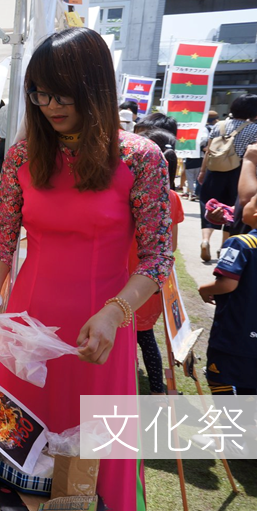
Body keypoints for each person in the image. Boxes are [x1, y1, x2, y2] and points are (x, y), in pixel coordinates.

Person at [0, 28, 173, 511]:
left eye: (62, 92)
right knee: (17, 452)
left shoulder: (139, 158)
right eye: (39, 93)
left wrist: (115, 312)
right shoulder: (22, 155)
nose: (49, 105)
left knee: (90, 464)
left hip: (97, 331)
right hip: (26, 331)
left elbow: (157, 256)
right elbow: (2, 236)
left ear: (94, 86)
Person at [129, 128, 183, 395]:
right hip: (150, 278)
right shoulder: (173, 197)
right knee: (145, 335)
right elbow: (171, 245)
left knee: (126, 336)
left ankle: (127, 381)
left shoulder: (132, 192)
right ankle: (156, 389)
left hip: (128, 275)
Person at [198, 191, 257, 396]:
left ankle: (232, 425)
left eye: (250, 201)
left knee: (219, 379)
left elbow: (227, 284)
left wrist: (204, 290)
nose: (244, 203)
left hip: (234, 336)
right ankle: (248, 424)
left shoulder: (241, 243)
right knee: (249, 388)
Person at [197, 94, 257, 262]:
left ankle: (205, 240)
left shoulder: (219, 126)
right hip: (238, 174)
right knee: (232, 211)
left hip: (214, 172)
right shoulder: (254, 129)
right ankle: (224, 248)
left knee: (210, 207)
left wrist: (203, 172)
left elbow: (208, 151)